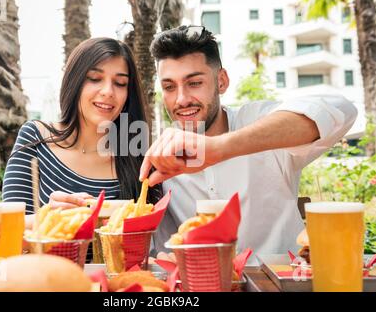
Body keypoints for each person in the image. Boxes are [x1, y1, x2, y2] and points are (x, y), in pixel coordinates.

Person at [139, 26, 358, 261]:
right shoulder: (161, 155)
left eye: (194, 83)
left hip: (279, 283)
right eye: (169, 87)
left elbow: (341, 110)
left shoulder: (257, 120)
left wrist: (220, 148)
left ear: (221, 81)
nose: (181, 99)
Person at [2, 37, 161, 230]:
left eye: (120, 83)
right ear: (74, 81)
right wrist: (49, 218)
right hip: (46, 261)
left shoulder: (138, 158)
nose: (108, 91)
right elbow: (7, 229)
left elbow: (149, 240)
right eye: (94, 79)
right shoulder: (36, 138)